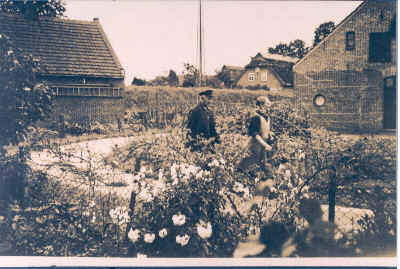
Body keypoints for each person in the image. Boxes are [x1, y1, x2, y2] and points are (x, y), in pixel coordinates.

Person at [238, 96, 275, 179]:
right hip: (255, 145)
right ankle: (241, 176)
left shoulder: (267, 117)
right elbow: (255, 134)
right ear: (261, 105)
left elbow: (265, 129)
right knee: (250, 162)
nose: (270, 104)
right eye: (268, 103)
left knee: (263, 163)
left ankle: (268, 179)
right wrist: (265, 145)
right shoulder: (256, 117)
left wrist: (270, 135)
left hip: (262, 145)